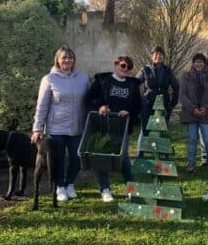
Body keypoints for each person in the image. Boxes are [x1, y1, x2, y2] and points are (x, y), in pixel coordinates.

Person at [31, 46, 90, 202]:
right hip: (55, 128)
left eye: (70, 58)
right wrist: (37, 128)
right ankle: (60, 187)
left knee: (77, 159)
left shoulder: (83, 78)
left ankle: (70, 184)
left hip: (77, 127)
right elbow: (42, 105)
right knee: (58, 160)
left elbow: (89, 101)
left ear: (74, 60)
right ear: (57, 60)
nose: (67, 60)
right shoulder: (49, 79)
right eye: (64, 57)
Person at [87, 56, 142, 202]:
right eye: (123, 66)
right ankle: (105, 190)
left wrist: (129, 112)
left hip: (122, 127)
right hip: (103, 125)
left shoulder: (132, 85)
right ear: (116, 65)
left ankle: (131, 188)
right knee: (102, 156)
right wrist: (100, 106)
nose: (125, 69)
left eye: (128, 67)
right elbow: (90, 98)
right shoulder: (103, 81)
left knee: (123, 158)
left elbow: (137, 106)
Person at [180, 53, 208, 173]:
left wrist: (206, 108)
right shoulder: (186, 76)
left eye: (201, 62)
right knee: (192, 139)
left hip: (206, 114)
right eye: (196, 61)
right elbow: (182, 95)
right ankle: (191, 163)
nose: (199, 64)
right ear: (193, 63)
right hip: (191, 113)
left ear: (205, 63)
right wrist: (193, 109)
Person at [136, 46, 179, 133]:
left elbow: (176, 87)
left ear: (163, 57)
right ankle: (144, 146)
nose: (158, 56)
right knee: (146, 132)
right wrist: (138, 100)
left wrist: (172, 104)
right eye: (156, 54)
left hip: (163, 106)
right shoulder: (145, 70)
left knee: (160, 133)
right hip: (147, 106)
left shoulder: (168, 71)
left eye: (160, 54)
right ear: (151, 56)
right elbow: (135, 84)